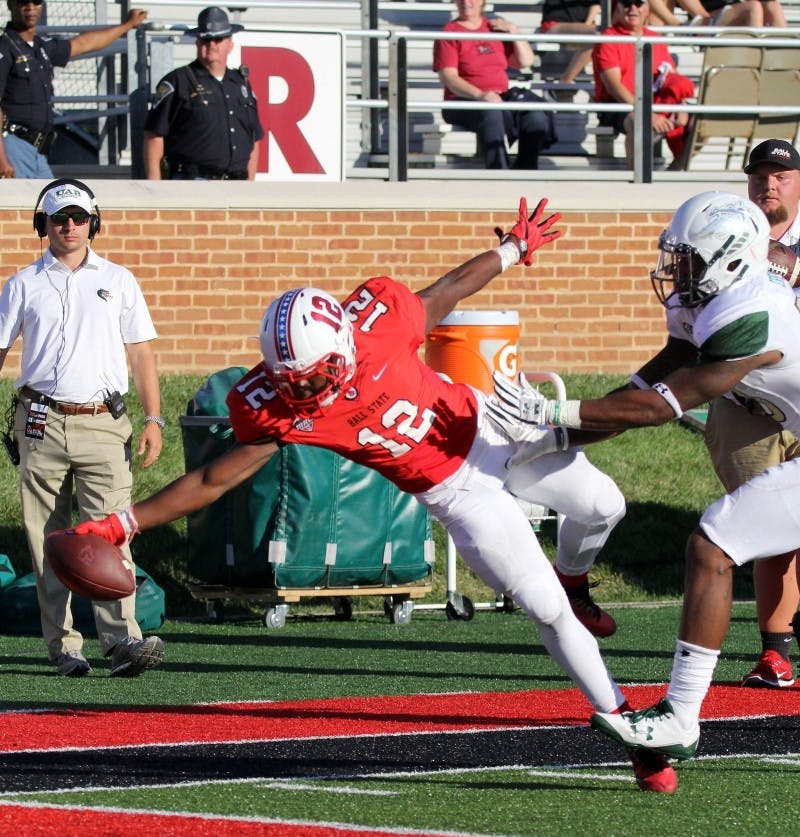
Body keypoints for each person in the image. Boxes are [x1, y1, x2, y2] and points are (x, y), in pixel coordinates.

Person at [72, 198, 678, 794]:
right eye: (291, 381)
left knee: (605, 506)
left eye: (310, 376)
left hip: (497, 433)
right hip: (458, 495)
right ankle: (628, 728)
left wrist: (512, 248)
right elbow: (213, 479)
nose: (303, 391)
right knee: (546, 610)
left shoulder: (378, 323)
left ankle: (576, 574)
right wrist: (125, 522)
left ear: (339, 343)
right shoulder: (276, 405)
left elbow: (446, 292)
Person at [489, 190, 800, 768]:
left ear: (731, 257)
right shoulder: (707, 304)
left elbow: (662, 408)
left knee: (715, 544)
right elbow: (640, 392)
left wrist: (553, 411)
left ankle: (681, 718)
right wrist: (554, 437)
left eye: (689, 258)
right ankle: (679, 718)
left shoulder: (752, 312)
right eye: (676, 256)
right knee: (714, 546)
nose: (676, 269)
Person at [0, 178, 165, 678]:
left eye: (77, 217)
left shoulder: (119, 280)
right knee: (46, 538)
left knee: (112, 533)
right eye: (57, 218)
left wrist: (153, 417)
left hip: (103, 420)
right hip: (39, 421)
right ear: (42, 225)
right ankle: (64, 647)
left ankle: (122, 643)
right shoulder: (21, 284)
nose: (68, 226)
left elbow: (140, 354)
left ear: (93, 221)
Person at [702, 139, 800, 688]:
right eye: (760, 175)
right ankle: (774, 651)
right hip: (747, 404)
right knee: (774, 528)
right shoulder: (726, 235)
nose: (770, 184)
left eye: (781, 176)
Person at [0, 1, 148, 179]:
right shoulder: (4, 48)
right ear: (11, 5)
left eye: (37, 2)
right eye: (24, 2)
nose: (30, 8)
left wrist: (127, 26)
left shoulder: (40, 47)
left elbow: (85, 43)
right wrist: (2, 159)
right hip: (13, 146)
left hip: (38, 151)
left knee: (49, 203)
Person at [143, 6, 264, 181]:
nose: (212, 45)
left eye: (218, 39)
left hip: (237, 184)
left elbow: (253, 139)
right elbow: (154, 135)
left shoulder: (240, 85)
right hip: (192, 183)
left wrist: (250, 183)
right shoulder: (178, 81)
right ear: (197, 43)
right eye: (206, 40)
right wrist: (154, 186)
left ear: (230, 45)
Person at [432, 0, 555, 170]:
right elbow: (449, 77)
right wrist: (480, 95)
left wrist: (514, 31)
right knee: (491, 111)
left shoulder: (493, 28)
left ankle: (526, 169)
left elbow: (525, 61)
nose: (465, 2)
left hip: (499, 97)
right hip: (462, 100)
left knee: (535, 114)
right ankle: (499, 171)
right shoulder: (450, 32)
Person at [591, 0, 695, 171]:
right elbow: (614, 87)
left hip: (654, 101)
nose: (632, 9)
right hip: (617, 104)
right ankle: (636, 179)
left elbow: (671, 76)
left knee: (699, 121)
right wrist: (647, 112)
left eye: (638, 3)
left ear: (647, 9)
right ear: (617, 8)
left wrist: (681, 106)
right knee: (639, 121)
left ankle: (674, 172)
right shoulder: (608, 39)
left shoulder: (655, 39)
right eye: (627, 4)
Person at [539, 0, 600, 86]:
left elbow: (595, 5)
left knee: (602, 36)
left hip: (583, 27)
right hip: (555, 24)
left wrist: (587, 25)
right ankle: (564, 84)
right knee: (598, 35)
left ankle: (564, 84)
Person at [646, 0, 786, 28]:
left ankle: (788, 61)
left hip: (732, 12)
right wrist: (703, 17)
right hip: (707, 16)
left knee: (774, 7)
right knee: (753, 8)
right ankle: (752, 59)